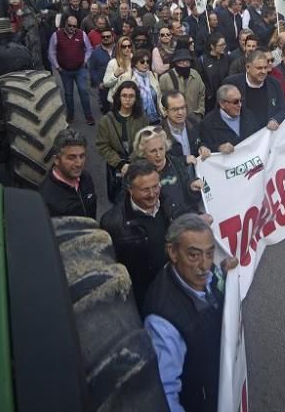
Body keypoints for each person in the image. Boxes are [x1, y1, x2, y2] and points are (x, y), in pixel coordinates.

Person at [144, 214, 238, 412]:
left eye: (210, 253)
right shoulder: (163, 320)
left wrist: (226, 276)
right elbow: (166, 395)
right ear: (173, 252)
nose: (204, 265)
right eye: (194, 255)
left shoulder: (205, 273)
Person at [100, 160, 189, 313]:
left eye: (155, 187)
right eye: (145, 190)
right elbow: (110, 271)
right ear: (130, 189)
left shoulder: (169, 203)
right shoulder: (113, 224)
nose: (153, 194)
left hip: (177, 288)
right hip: (146, 300)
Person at [96, 82, 148, 202]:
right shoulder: (106, 121)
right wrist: (121, 164)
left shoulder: (142, 118)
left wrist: (132, 162)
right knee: (119, 201)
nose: (127, 99)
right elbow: (102, 146)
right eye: (124, 95)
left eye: (131, 96)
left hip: (138, 165)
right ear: (118, 97)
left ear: (136, 98)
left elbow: (144, 142)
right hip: (116, 167)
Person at [133, 127, 202, 214]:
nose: (158, 154)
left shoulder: (176, 164)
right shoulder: (136, 174)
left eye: (161, 149)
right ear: (143, 153)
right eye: (153, 151)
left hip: (185, 217)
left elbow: (191, 198)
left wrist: (191, 188)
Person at [48, 13, 95, 125]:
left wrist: (85, 60)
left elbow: (89, 49)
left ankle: (88, 116)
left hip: (80, 70)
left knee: (83, 91)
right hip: (65, 71)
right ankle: (70, 115)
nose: (72, 28)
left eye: (74, 26)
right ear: (65, 24)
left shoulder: (82, 34)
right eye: (70, 25)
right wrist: (57, 66)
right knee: (68, 94)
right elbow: (51, 52)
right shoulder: (56, 35)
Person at [224, 49, 285, 130]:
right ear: (248, 67)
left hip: (267, 134)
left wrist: (275, 120)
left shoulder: (275, 84)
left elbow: (283, 109)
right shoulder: (232, 83)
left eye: (265, 68)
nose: (263, 71)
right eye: (259, 68)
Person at [39, 129, 97, 218]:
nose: (79, 163)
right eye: (71, 158)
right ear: (57, 160)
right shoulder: (46, 198)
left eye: (82, 156)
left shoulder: (86, 178)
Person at [199, 84, 262, 153]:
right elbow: (204, 147)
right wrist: (218, 148)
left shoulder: (248, 114)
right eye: (235, 102)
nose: (240, 105)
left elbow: (258, 136)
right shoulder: (208, 123)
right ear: (222, 104)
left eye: (241, 100)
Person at [160, 91, 210, 162]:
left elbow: (204, 139)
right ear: (165, 110)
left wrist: (203, 146)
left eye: (183, 108)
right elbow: (160, 160)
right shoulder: (160, 133)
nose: (180, 112)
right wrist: (183, 161)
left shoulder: (195, 123)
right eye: (175, 109)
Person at [159, 49, 207, 118]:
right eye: (181, 62)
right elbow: (160, 98)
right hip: (173, 118)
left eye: (187, 62)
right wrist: (166, 115)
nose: (184, 64)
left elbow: (202, 94)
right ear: (175, 63)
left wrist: (199, 112)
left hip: (193, 117)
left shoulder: (195, 75)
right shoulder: (165, 78)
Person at [131, 49, 164, 124]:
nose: (145, 64)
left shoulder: (153, 75)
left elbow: (159, 96)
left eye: (148, 61)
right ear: (135, 63)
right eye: (142, 62)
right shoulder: (131, 80)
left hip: (157, 117)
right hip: (139, 120)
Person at [199, 33, 230, 111]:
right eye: (221, 45)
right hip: (210, 101)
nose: (224, 47)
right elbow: (201, 79)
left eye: (225, 44)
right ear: (212, 46)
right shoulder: (203, 60)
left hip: (225, 97)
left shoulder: (227, 58)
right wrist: (208, 94)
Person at [88, 26, 116, 114]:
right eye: (103, 37)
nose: (106, 38)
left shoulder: (119, 49)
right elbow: (92, 69)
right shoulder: (95, 52)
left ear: (112, 37)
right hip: (104, 87)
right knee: (106, 110)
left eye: (108, 36)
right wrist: (98, 83)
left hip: (118, 84)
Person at [102, 36, 135, 101]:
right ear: (119, 48)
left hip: (132, 99)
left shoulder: (135, 60)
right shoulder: (113, 62)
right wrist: (115, 75)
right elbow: (106, 83)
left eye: (129, 46)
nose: (127, 48)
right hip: (116, 100)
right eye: (124, 46)